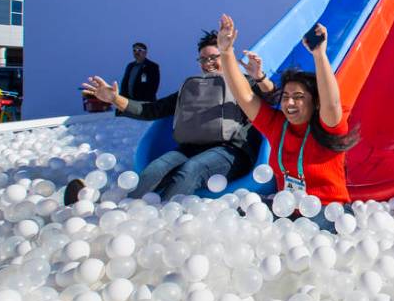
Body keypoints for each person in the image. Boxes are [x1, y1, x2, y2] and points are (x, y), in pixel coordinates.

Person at [76, 30, 273, 204]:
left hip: (231, 152)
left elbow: (272, 96)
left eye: (213, 57)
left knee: (191, 169)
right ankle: (121, 211)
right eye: (203, 59)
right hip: (190, 149)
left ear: (225, 55)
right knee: (154, 170)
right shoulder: (190, 89)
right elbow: (151, 110)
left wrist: (260, 77)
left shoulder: (243, 83)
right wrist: (115, 98)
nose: (208, 64)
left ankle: (162, 219)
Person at [216, 14, 358, 232]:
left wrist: (319, 55)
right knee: (240, 215)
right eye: (286, 96)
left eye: (299, 97)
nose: (290, 102)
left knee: (307, 239)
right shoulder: (277, 126)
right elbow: (245, 97)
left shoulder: (328, 126)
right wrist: (226, 54)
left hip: (329, 211)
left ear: (314, 102)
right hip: (288, 209)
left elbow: (332, 103)